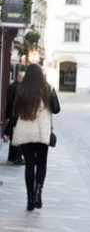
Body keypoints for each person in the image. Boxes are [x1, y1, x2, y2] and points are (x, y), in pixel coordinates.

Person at [4, 64, 60, 211]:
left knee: (29, 165)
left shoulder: (21, 89)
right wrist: (52, 91)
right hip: (42, 132)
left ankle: (29, 198)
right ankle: (38, 194)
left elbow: (14, 112)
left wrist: (8, 130)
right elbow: (56, 109)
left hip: (25, 132)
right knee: (41, 164)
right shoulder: (47, 89)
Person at [4, 70, 25, 165]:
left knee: (13, 137)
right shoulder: (19, 88)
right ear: (19, 77)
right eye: (23, 78)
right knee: (19, 138)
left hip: (13, 116)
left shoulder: (12, 86)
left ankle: (12, 157)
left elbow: (9, 103)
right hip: (17, 116)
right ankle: (17, 158)